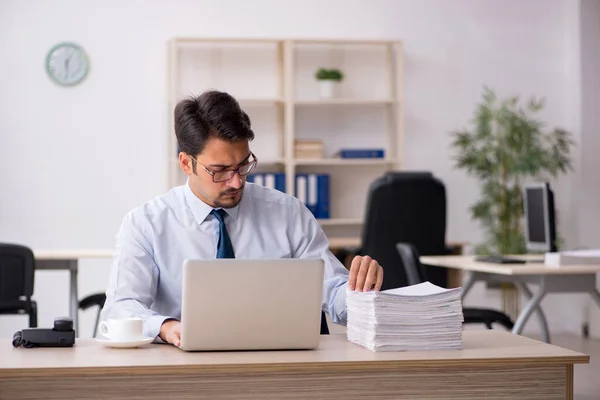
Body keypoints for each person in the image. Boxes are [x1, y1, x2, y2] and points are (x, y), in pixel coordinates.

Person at [100, 90, 383, 346]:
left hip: (279, 362)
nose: (236, 182)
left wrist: (359, 295)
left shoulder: (288, 214)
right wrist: (165, 326)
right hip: (184, 367)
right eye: (220, 170)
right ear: (187, 163)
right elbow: (121, 307)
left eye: (244, 165)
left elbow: (332, 291)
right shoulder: (146, 224)